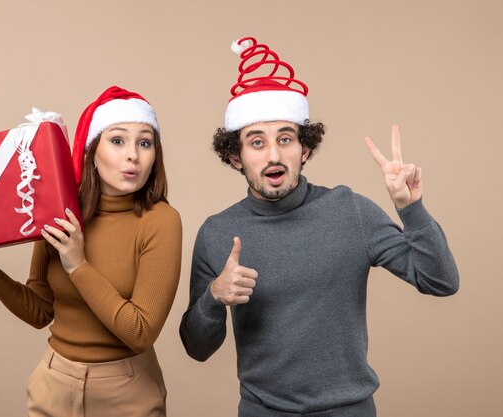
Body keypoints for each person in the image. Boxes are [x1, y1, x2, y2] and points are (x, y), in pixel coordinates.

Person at [179, 37, 459, 417]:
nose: (274, 154)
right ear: (235, 157)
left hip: (350, 410)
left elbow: (441, 281)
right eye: (256, 142)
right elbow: (197, 348)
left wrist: (411, 208)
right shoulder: (217, 233)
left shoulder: (350, 211)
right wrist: (213, 296)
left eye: (285, 139)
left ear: (305, 149)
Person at [0, 86, 182, 417]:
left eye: (144, 142)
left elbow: (141, 332)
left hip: (127, 392)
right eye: (118, 140)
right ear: (92, 150)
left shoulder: (161, 221)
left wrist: (78, 265)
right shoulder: (59, 211)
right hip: (54, 385)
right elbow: (40, 312)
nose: (133, 154)